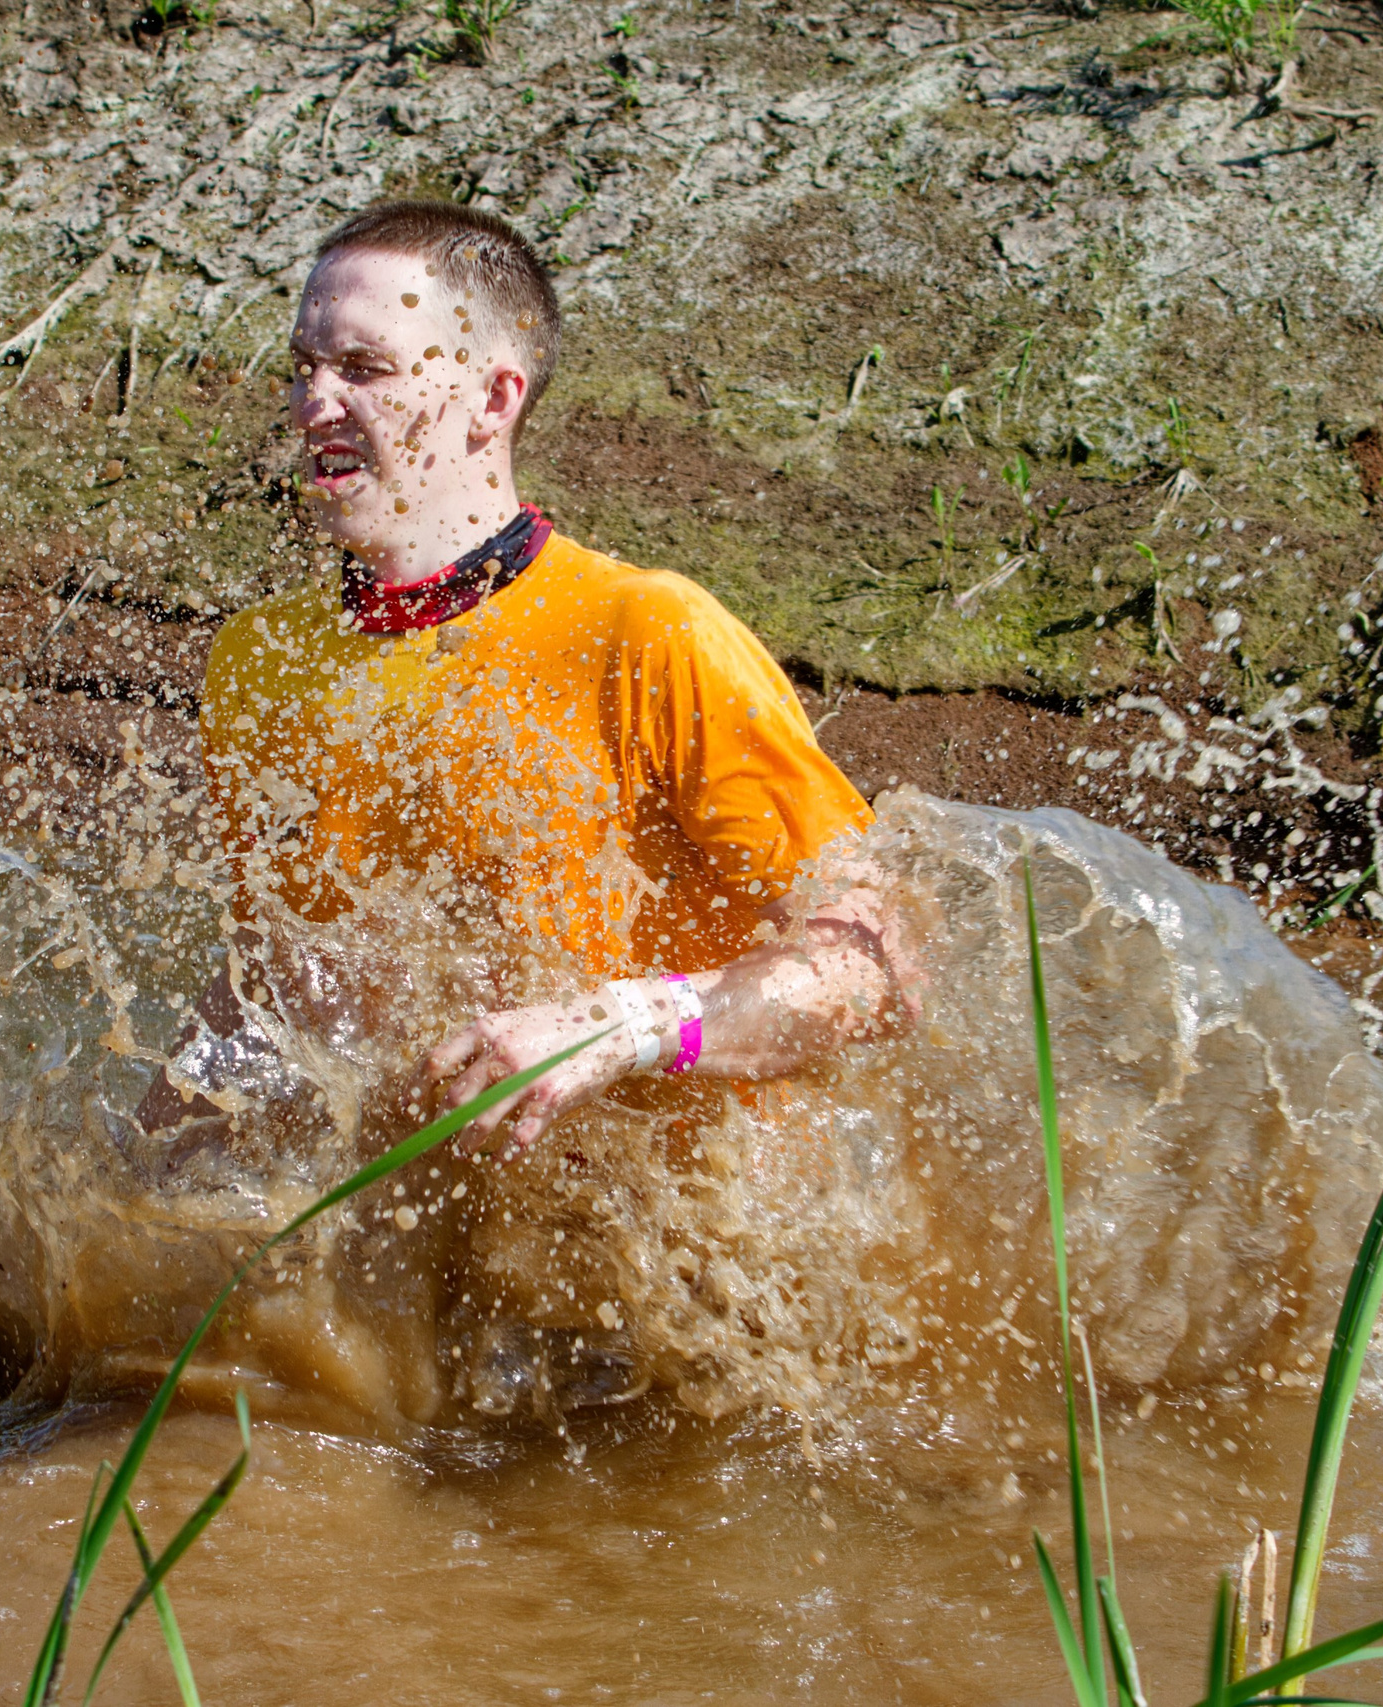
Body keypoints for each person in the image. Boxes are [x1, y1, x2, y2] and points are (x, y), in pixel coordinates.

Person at [152, 200, 918, 1159]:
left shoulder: (648, 631)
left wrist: (627, 1030)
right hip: (426, 1230)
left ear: (494, 399)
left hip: (684, 1228)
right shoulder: (259, 662)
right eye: (304, 368)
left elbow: (875, 968)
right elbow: (273, 981)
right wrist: (86, 1219)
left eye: (366, 369)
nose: (315, 405)